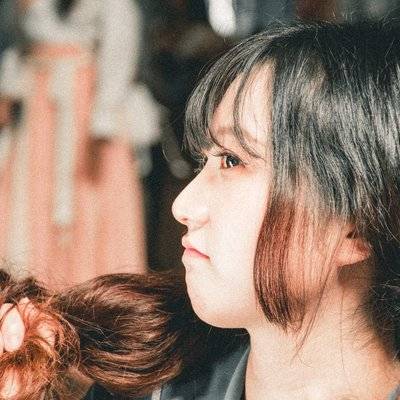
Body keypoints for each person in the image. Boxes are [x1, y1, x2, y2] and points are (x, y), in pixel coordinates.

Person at [0, 19, 400, 400]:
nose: (182, 205)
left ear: (359, 224)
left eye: (232, 160)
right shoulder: (142, 388)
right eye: (202, 162)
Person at [0, 0, 147, 286]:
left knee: (88, 196)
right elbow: (18, 45)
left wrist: (104, 110)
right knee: (31, 193)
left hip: (83, 105)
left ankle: (88, 284)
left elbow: (119, 45)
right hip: (37, 108)